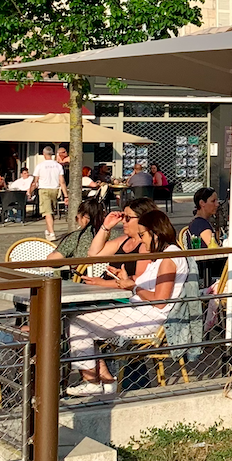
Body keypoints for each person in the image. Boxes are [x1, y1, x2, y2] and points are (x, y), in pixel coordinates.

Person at [66, 209, 189, 396]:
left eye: (143, 235)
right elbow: (147, 287)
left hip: (148, 317)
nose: (142, 240)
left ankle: (92, 381)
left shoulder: (168, 257)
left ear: (154, 233)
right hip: (140, 311)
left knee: (77, 321)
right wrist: (125, 281)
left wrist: (132, 287)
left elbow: (161, 300)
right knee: (82, 320)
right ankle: (103, 379)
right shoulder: (164, 255)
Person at [84, 198, 159, 286]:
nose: (123, 221)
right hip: (109, 290)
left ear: (143, 219)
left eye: (128, 218)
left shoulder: (146, 245)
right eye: (123, 216)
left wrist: (102, 283)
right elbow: (93, 254)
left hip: (124, 295)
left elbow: (139, 279)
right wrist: (106, 227)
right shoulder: (125, 240)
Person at [35, 145, 68, 242]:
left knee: (47, 212)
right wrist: (65, 195)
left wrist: (30, 190)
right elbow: (62, 181)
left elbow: (35, 180)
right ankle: (48, 230)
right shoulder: (58, 166)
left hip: (44, 189)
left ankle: (52, 232)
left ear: (44, 154)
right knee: (50, 211)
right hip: (55, 189)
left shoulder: (40, 166)